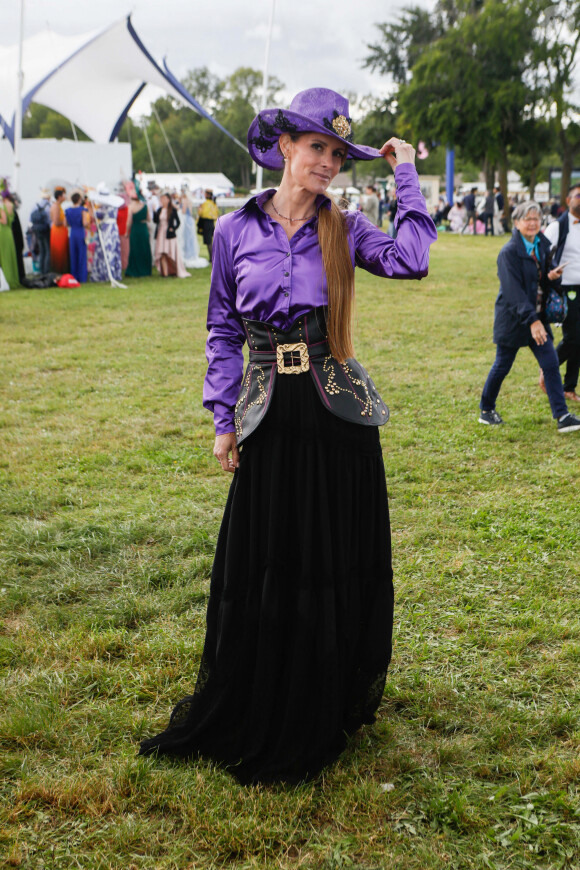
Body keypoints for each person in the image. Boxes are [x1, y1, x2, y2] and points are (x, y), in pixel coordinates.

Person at [139, 87, 437, 784]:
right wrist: (222, 418)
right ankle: (260, 690)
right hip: (267, 410)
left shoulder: (346, 226)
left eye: (337, 152)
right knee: (269, 554)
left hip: (334, 416)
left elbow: (413, 258)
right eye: (316, 148)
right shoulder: (237, 231)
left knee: (328, 554)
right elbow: (222, 328)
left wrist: (406, 175)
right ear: (284, 148)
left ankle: (321, 694)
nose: (328, 162)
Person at [479, 200, 580, 433]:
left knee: (551, 364)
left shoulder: (541, 245)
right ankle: (486, 409)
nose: (533, 223)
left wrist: (551, 277)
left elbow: (539, 281)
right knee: (502, 365)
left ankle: (562, 415)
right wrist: (532, 321)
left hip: (537, 317)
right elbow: (513, 292)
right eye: (528, 219)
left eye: (536, 219)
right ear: (516, 223)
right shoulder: (508, 253)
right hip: (514, 319)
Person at [542, 183, 580, 403]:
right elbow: (543, 252)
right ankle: (547, 369)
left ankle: (569, 387)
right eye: (578, 195)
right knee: (573, 337)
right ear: (568, 200)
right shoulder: (558, 226)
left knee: (579, 340)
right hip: (566, 288)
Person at [89, 183, 122, 283]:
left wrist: (91, 206)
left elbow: (93, 216)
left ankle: (106, 272)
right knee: (111, 249)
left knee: (106, 249)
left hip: (107, 229)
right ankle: (113, 271)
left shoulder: (103, 208)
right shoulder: (113, 207)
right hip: (113, 229)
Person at [153, 192, 189, 278]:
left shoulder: (172, 210)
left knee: (169, 253)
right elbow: (155, 221)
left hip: (169, 235)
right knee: (162, 253)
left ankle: (175, 270)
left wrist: (173, 228)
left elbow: (178, 222)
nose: (163, 200)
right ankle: (165, 273)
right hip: (160, 233)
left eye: (164, 199)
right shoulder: (159, 210)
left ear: (168, 200)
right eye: (162, 199)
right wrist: (154, 212)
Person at [125, 189, 152, 278]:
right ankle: (145, 269)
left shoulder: (131, 207)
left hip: (135, 229)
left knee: (135, 249)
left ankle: (135, 270)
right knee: (144, 249)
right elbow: (149, 219)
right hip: (143, 228)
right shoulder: (145, 206)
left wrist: (126, 232)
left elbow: (129, 221)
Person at [65, 192, 89, 283]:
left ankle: (74, 275)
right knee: (82, 255)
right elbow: (84, 223)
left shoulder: (67, 211)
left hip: (72, 233)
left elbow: (65, 223)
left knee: (73, 255)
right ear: (79, 199)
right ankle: (82, 277)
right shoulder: (82, 210)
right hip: (80, 232)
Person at [0, 189, 20, 288]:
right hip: (8, 231)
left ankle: (8, 279)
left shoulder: (2, 206)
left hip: (3, 231)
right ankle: (12, 278)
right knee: (9, 255)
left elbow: (4, 221)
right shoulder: (11, 205)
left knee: (5, 256)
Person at [30, 188, 52, 274]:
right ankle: (46, 270)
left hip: (37, 230)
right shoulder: (49, 206)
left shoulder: (35, 205)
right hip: (45, 230)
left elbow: (30, 219)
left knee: (41, 250)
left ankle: (41, 270)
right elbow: (50, 221)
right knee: (47, 250)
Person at [50, 187, 69, 273]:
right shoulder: (56, 206)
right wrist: (64, 220)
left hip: (60, 231)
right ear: (59, 197)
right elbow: (56, 221)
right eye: (63, 195)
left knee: (62, 252)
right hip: (58, 232)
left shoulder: (58, 206)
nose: (64, 197)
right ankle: (59, 270)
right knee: (59, 252)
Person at [197, 189, 219, 262]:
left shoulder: (205, 204)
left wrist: (199, 209)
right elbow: (216, 214)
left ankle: (211, 258)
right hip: (212, 224)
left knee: (208, 241)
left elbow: (202, 214)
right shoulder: (214, 204)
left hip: (206, 224)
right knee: (212, 241)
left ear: (207, 195)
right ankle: (214, 257)